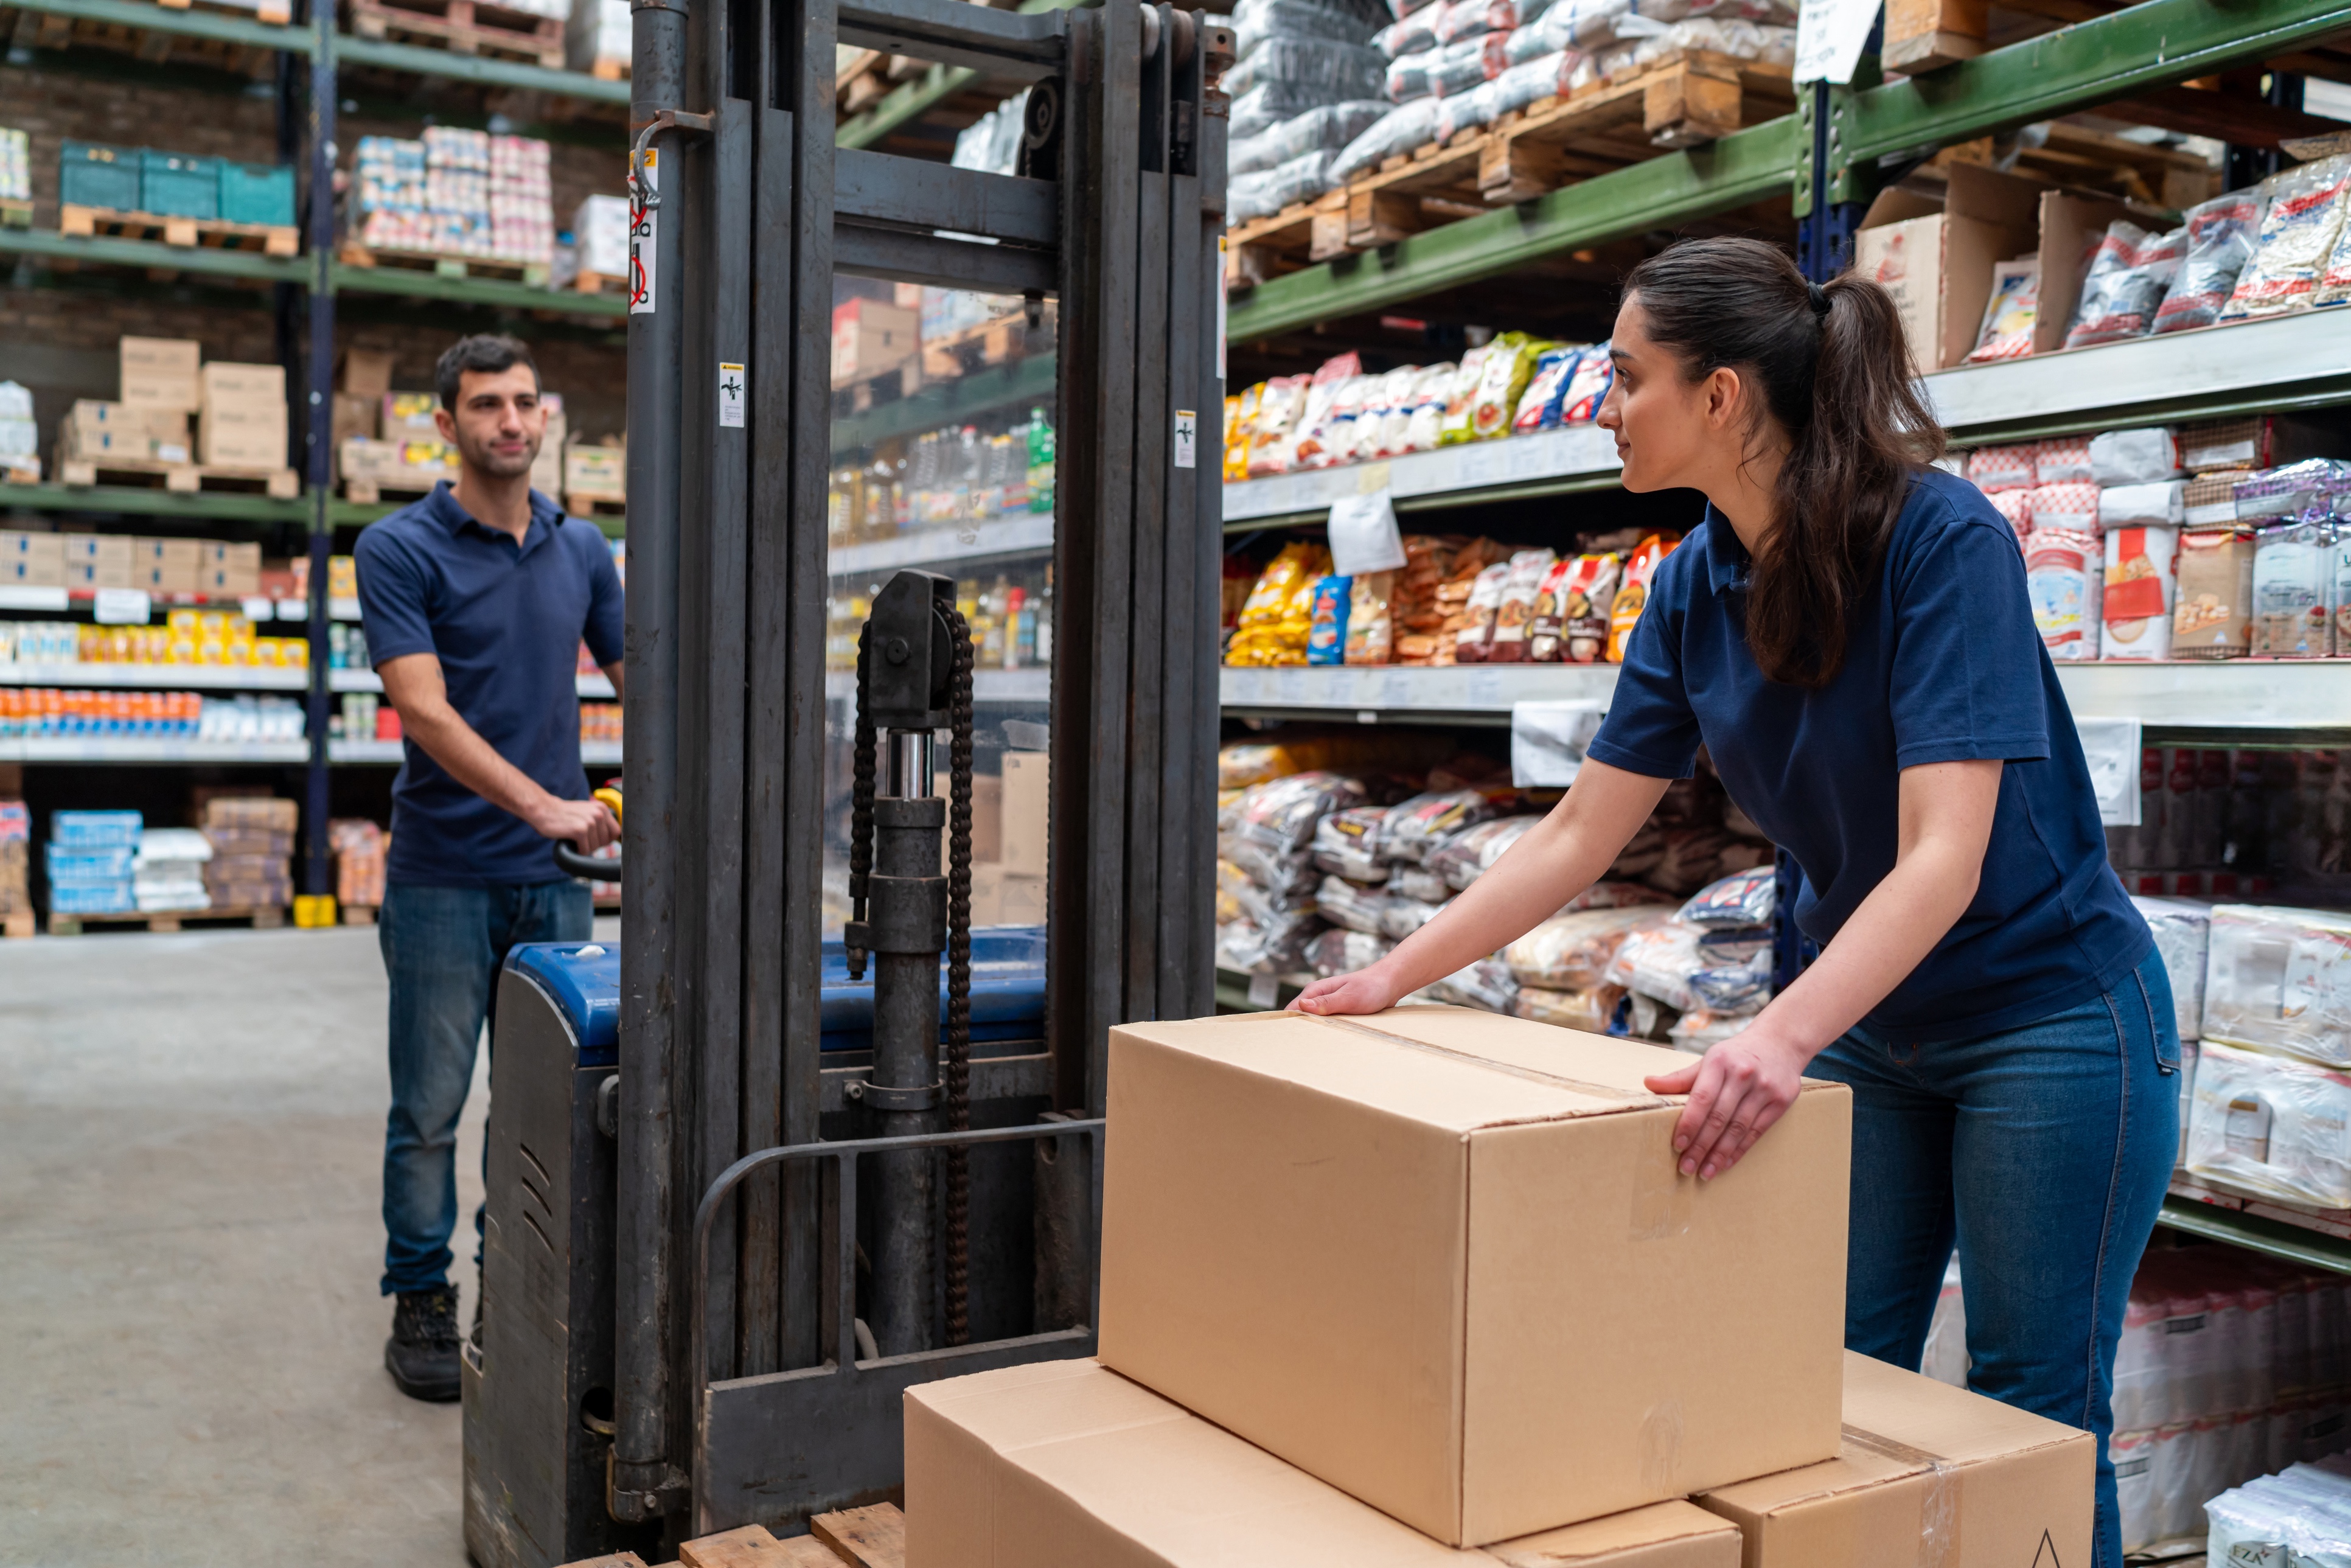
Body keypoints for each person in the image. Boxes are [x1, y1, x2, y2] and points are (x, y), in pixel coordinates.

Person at [1290, 238, 2172, 1568]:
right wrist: (1388, 974)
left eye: (1627, 375)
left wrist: (1778, 1035)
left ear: (1721, 397)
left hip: (2045, 1018)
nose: (1605, 404)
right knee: (1825, 1386)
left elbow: (1943, 854)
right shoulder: (1693, 583)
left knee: (2030, 1407)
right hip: (1871, 1026)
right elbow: (1585, 830)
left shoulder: (1942, 542)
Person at [354, 333, 625, 1402]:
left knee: (539, 1107)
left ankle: (507, 1279)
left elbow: (639, 670)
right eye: (485, 406)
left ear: (545, 415)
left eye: (524, 403)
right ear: (447, 423)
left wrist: (636, 782)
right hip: (441, 877)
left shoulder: (582, 548)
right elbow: (422, 708)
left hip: (552, 885)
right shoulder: (399, 547)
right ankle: (419, 1293)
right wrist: (549, 803)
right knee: (429, 1106)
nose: (509, 421)